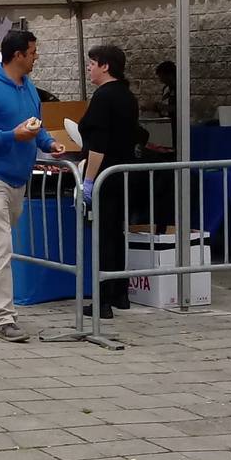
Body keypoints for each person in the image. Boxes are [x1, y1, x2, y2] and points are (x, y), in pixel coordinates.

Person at [0, 30, 65, 342]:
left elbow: (35, 124)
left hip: (17, 178)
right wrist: (11, 136)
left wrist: (48, 141)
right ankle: (4, 316)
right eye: (33, 52)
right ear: (18, 55)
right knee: (1, 245)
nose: (36, 56)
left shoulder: (28, 86)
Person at [79, 45, 141, 319]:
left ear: (105, 66)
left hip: (105, 173)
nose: (89, 68)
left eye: (92, 63)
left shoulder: (103, 97)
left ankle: (103, 299)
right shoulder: (127, 96)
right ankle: (120, 292)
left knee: (104, 236)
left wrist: (89, 181)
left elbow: (98, 144)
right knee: (117, 233)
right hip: (122, 172)